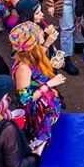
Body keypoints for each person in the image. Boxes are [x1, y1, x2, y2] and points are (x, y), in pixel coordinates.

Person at [8, 22, 65, 150]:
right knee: (42, 146)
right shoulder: (23, 68)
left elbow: (35, 60)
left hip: (45, 106)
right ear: (32, 44)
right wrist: (50, 84)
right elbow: (25, 100)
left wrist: (47, 44)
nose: (42, 35)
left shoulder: (28, 56)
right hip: (38, 114)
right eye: (39, 35)